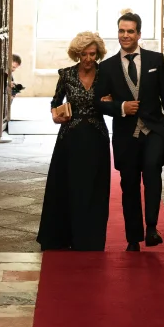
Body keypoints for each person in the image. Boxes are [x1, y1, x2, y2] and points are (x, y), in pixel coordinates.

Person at [96, 12, 164, 250]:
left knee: (153, 173)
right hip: (125, 135)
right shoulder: (107, 67)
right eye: (122, 31)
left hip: (154, 130)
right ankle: (133, 238)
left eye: (130, 31)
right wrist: (121, 107)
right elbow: (99, 102)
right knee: (129, 184)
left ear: (139, 34)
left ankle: (152, 227)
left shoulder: (155, 60)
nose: (125, 35)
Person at [37, 33, 111, 252]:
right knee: (66, 186)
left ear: (98, 53)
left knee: (94, 188)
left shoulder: (105, 74)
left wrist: (112, 102)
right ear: (76, 54)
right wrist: (55, 115)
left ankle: (89, 239)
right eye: (83, 54)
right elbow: (55, 101)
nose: (88, 59)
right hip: (70, 136)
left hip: (97, 135)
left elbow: (115, 101)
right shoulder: (67, 75)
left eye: (92, 54)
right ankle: (60, 236)